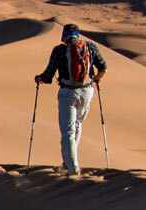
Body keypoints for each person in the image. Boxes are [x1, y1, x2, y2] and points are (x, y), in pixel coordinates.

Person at [35, 24, 107, 174]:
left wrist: (39, 78)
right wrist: (96, 79)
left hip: (68, 93)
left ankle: (72, 168)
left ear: (64, 35)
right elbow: (103, 67)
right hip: (87, 92)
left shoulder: (59, 50)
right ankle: (68, 162)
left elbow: (48, 75)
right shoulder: (90, 47)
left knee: (67, 131)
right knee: (77, 125)